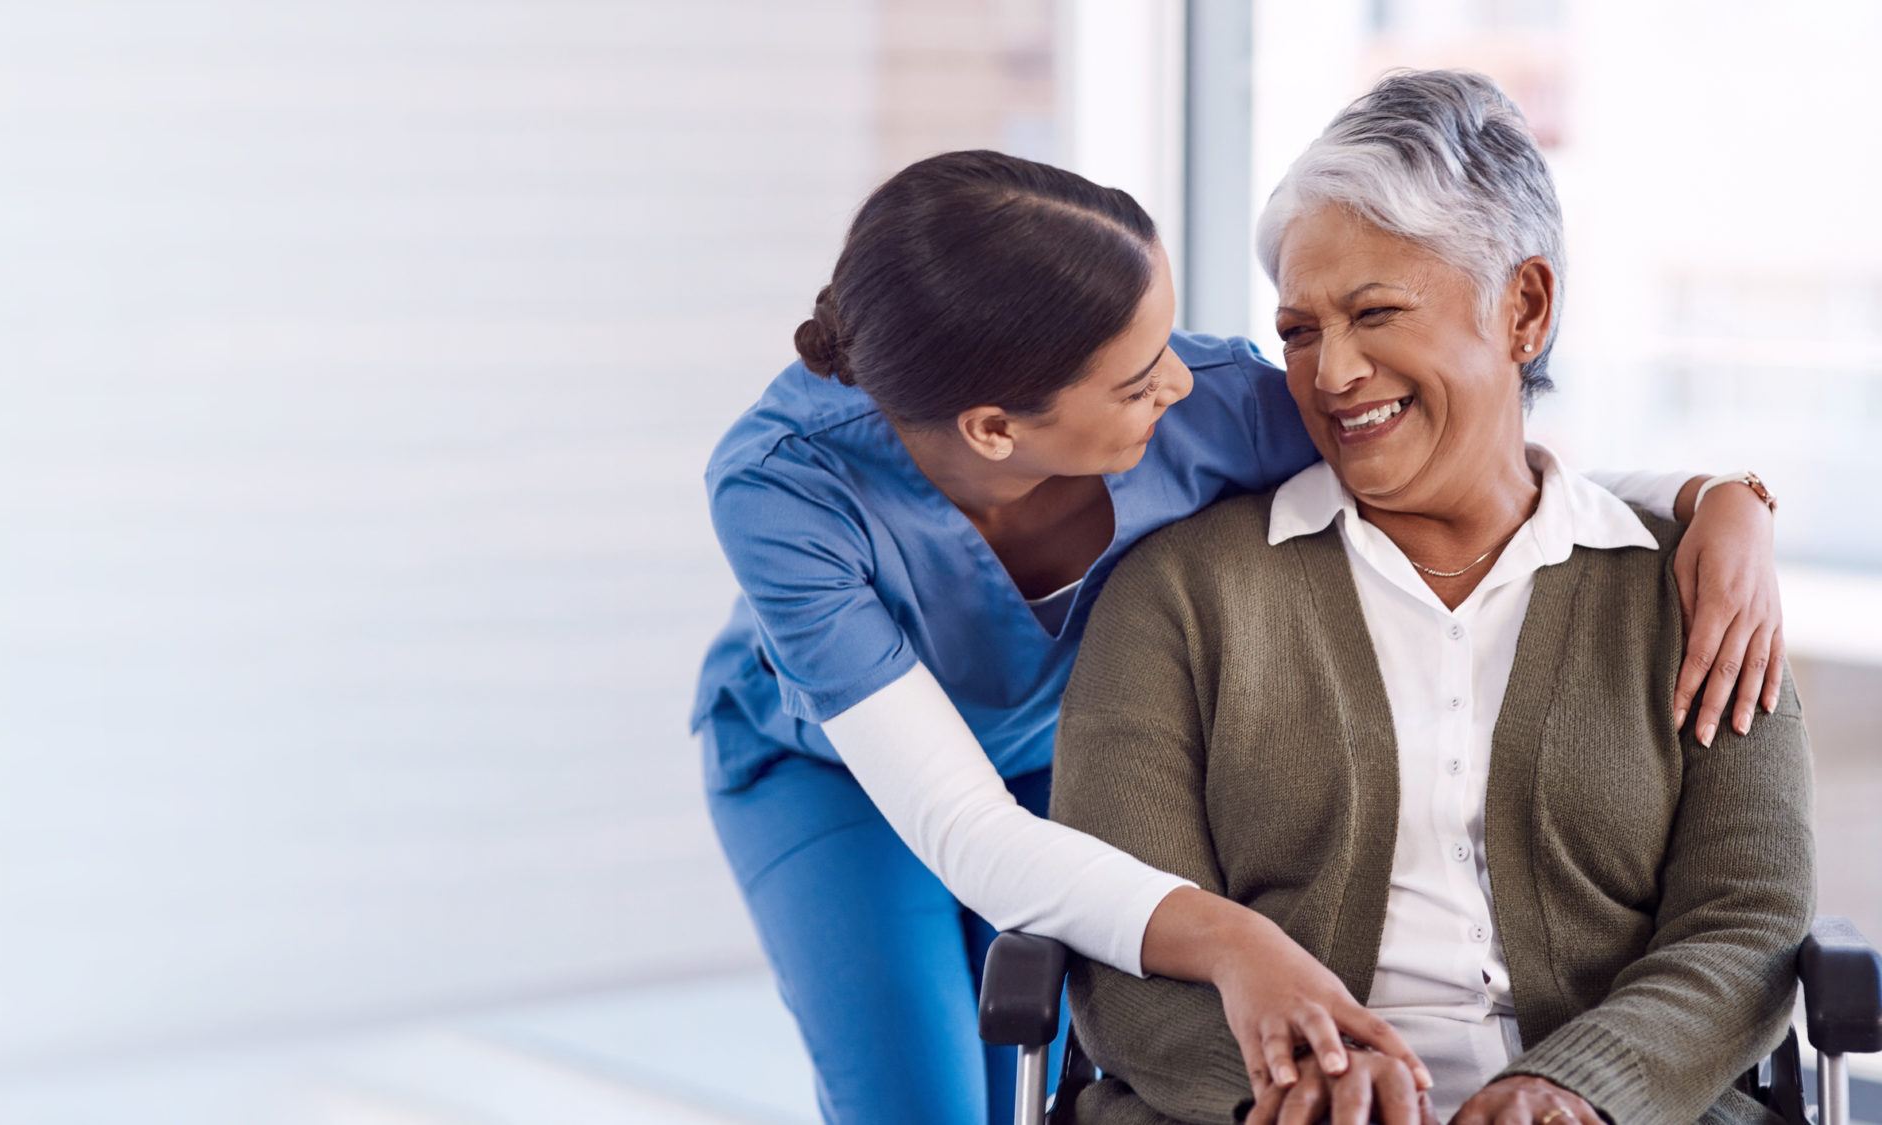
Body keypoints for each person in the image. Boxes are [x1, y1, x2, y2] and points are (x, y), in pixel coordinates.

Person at [693, 147, 1786, 1125]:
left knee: (1024, 1067)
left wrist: (1715, 498)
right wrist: (1239, 943)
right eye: (1134, 377)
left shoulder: (1209, 403)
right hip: (836, 777)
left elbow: (1482, 461)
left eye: (1165, 340)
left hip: (1064, 758)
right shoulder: (783, 487)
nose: (1179, 377)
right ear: (993, 428)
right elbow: (966, 834)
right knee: (922, 1104)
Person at [1050, 70, 1812, 1125]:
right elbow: (1121, 933)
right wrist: (1296, 1086)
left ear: (1524, 308)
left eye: (1374, 313)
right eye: (1300, 330)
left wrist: (1576, 1088)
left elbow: (1746, 921)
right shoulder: (1178, 595)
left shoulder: (1697, 588)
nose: (1330, 373)